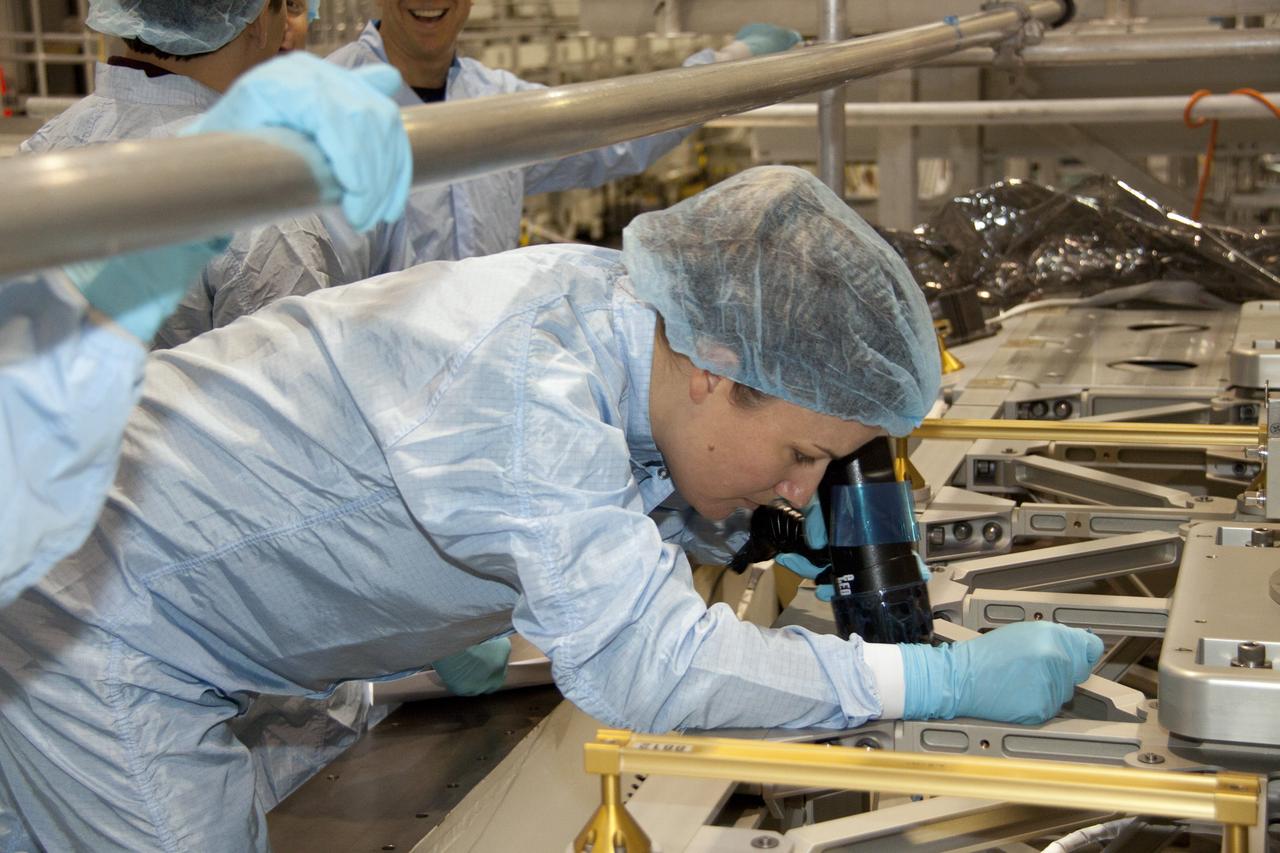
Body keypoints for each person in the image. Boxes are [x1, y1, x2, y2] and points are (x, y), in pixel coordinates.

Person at [0, 166, 1101, 852]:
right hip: (99, 612)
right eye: (804, 457)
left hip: (190, 609)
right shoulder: (530, 382)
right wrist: (926, 682)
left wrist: (750, 524)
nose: (804, 488)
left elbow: (627, 474)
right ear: (717, 369)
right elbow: (647, 666)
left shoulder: (625, 318)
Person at [0, 51, 411, 609]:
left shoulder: (42, 156)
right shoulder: (255, 193)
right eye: (286, 9)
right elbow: (300, 431)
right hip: (203, 575)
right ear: (254, 18)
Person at [147, 4, 803, 347]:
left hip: (485, 374)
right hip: (366, 396)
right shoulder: (319, 105)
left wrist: (727, 66)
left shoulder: (499, 103)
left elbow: (617, 136)